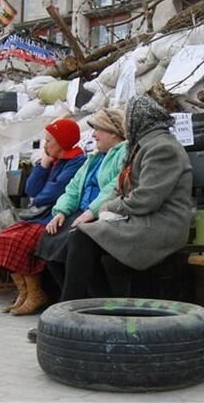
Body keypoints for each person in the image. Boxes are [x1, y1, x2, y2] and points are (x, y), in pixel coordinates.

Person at [48, 95, 194, 302]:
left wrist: (111, 207)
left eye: (128, 118)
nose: (125, 124)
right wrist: (108, 206)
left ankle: (74, 309)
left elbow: (147, 198)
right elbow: (121, 187)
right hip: (142, 219)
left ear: (139, 119)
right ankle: (102, 307)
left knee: (83, 238)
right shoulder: (142, 145)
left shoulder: (162, 148)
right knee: (80, 237)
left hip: (161, 224)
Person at [0, 118, 85, 315]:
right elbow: (31, 189)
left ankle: (36, 293)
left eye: (49, 140)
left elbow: (50, 194)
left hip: (57, 217)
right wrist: (43, 165)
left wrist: (40, 195)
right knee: (3, 237)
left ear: (62, 142)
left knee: (20, 241)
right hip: (39, 215)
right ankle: (26, 292)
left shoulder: (76, 162)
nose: (45, 145)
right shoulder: (53, 161)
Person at [33, 108, 128, 298]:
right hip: (80, 211)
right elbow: (74, 187)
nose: (93, 134)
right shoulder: (93, 157)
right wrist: (60, 211)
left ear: (112, 132)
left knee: (73, 241)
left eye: (98, 129)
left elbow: (115, 186)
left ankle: (81, 299)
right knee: (49, 238)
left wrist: (91, 212)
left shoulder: (123, 153)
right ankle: (82, 297)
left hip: (102, 213)